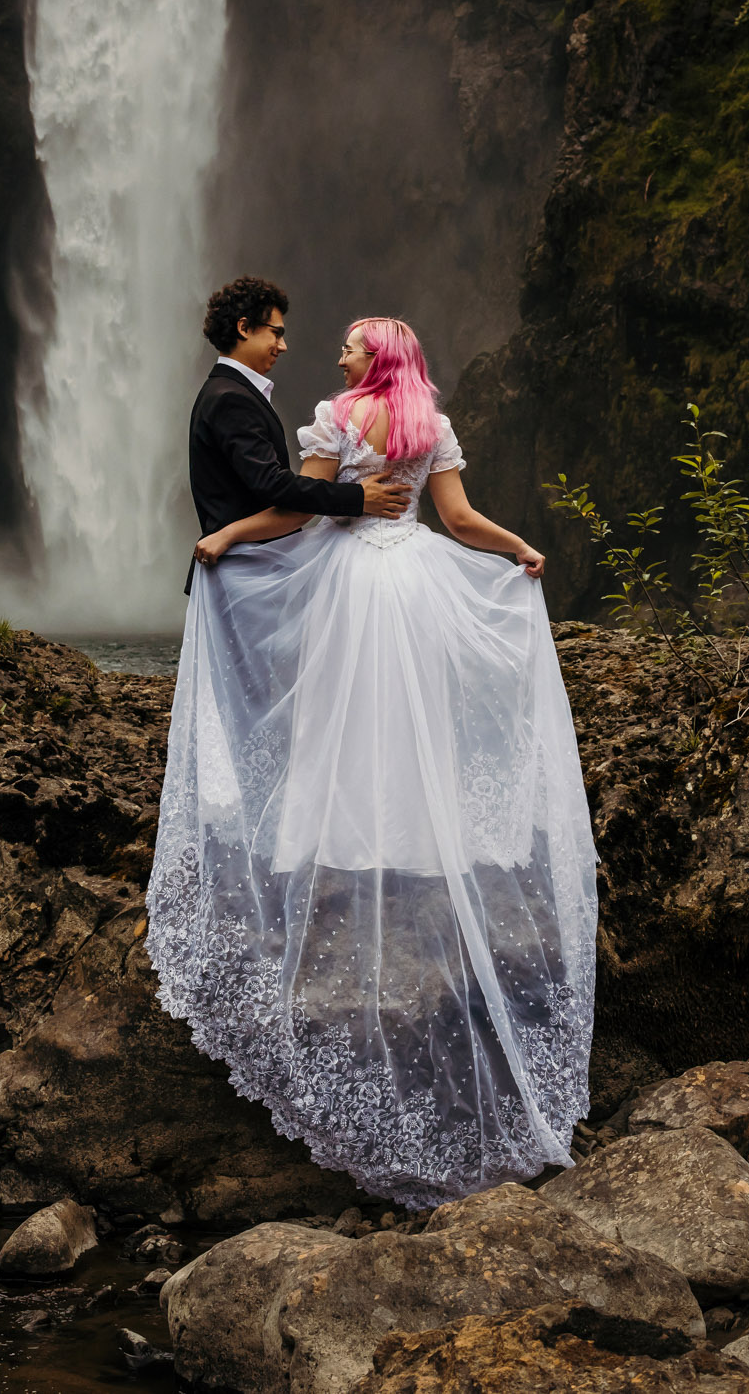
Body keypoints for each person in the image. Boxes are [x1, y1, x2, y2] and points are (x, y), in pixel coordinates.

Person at [148, 309, 598, 1209]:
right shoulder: (431, 424)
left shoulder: (339, 417)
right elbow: (460, 519)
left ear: (376, 357)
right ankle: (415, 841)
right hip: (419, 578)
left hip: (354, 577)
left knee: (337, 712)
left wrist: (230, 539)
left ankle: (335, 841)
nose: (338, 348)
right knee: (413, 715)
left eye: (353, 342)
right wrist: (516, 548)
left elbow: (295, 511)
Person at [186, 277, 415, 594]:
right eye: (276, 333)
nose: (283, 345)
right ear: (244, 328)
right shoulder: (231, 397)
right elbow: (273, 484)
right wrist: (357, 498)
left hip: (245, 565)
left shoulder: (229, 390)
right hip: (244, 571)